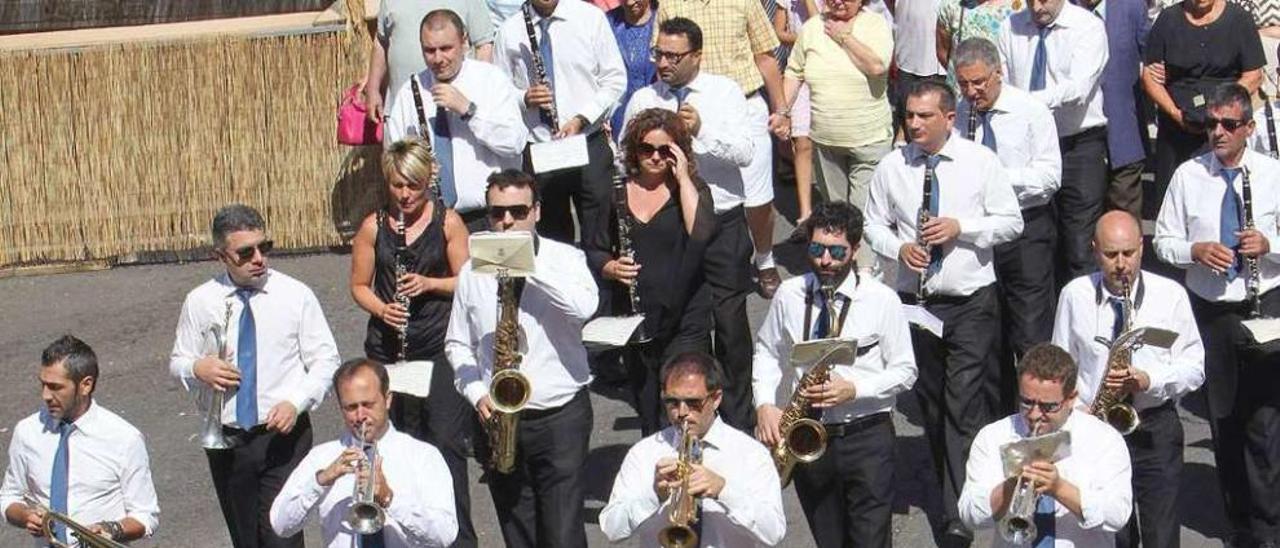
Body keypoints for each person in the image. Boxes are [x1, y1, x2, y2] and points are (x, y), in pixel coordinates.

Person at [863, 80, 1023, 545]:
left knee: (964, 402)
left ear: (949, 118)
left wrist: (962, 227)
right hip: (915, 304)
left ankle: (961, 513)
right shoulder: (892, 167)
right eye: (909, 115)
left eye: (924, 116)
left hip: (970, 301)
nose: (913, 123)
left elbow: (1011, 221)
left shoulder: (979, 162)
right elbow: (873, 223)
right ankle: (954, 486)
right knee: (933, 405)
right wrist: (898, 247)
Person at [169, 204, 342, 548]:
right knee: (246, 539)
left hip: (282, 435)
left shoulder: (295, 295)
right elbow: (178, 360)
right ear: (221, 256)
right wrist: (197, 368)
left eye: (265, 247)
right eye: (245, 252)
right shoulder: (201, 301)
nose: (259, 258)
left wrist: (296, 402)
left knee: (280, 537)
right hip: (229, 437)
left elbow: (326, 359)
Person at [1154, 83, 1280, 548]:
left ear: (1248, 127)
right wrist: (1196, 250)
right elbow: (1164, 241)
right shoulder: (1189, 176)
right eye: (1211, 124)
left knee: (1266, 422)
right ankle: (1241, 523)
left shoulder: (1272, 174)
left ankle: (1271, 526)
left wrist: (1270, 245)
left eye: (1229, 124)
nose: (1218, 133)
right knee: (1224, 420)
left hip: (1266, 303)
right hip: (1212, 310)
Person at [445, 170, 599, 548]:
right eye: (498, 213)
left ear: (537, 212)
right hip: (499, 418)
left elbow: (585, 307)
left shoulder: (565, 258)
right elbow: (456, 344)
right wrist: (478, 392)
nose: (508, 221)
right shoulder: (472, 273)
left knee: (562, 536)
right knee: (520, 537)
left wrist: (526, 264)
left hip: (559, 415)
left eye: (518, 211)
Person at [752, 201, 917, 547]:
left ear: (855, 250)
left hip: (867, 435)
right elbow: (767, 351)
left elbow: (905, 370)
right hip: (810, 435)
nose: (825, 261)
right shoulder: (789, 294)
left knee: (870, 541)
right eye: (817, 250)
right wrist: (765, 404)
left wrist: (855, 389)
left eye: (837, 252)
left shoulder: (881, 299)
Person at [621, 17, 758, 431]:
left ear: (696, 56)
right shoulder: (644, 97)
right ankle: (682, 417)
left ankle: (738, 421)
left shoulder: (724, 91)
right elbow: (625, 158)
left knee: (730, 326)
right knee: (681, 325)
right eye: (658, 53)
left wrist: (700, 132)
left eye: (673, 56)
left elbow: (746, 152)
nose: (663, 63)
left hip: (722, 221)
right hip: (670, 231)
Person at [348, 138, 478, 547]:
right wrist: (383, 309)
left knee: (444, 442)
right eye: (397, 186)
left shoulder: (448, 222)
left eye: (413, 186)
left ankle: (457, 537)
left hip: (436, 345)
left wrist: (429, 283)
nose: (405, 195)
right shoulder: (373, 225)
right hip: (389, 350)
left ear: (427, 183)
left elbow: (467, 279)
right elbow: (358, 285)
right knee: (397, 439)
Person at [1051, 210, 1205, 548]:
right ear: (1094, 250)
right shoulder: (1075, 295)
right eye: (1110, 255)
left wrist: (1150, 380)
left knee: (1161, 536)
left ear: (1141, 247)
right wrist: (1079, 412)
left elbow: (1194, 366)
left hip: (1155, 426)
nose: (1121, 264)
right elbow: (1060, 368)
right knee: (1111, 535)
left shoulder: (1170, 295)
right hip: (1099, 427)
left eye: (1128, 253)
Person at [587, 108, 717, 435]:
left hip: (686, 314)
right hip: (637, 316)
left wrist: (684, 176)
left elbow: (700, 232)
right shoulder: (615, 191)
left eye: (665, 150)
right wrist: (610, 267)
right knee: (649, 406)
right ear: (634, 150)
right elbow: (595, 248)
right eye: (647, 149)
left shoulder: (692, 189)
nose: (655, 157)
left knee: (686, 401)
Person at [953, 36, 1061, 412]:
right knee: (989, 331)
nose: (971, 91)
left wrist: (995, 176)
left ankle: (1040, 413)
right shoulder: (959, 111)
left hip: (1026, 228)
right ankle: (1000, 420)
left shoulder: (1030, 112)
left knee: (1029, 332)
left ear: (998, 72)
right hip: (978, 232)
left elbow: (1050, 178)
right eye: (963, 83)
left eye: (979, 82)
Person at [654, 0, 786, 298]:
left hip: (743, 101)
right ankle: (705, 263)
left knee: (758, 197)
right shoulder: (669, 4)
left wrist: (782, 109)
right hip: (689, 102)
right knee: (696, 189)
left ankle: (764, 259)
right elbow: (660, 58)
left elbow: (764, 57)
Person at [599, 351, 786, 547]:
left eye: (693, 402)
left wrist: (723, 490)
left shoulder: (750, 454)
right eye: (672, 402)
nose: (682, 413)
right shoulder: (644, 453)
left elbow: (774, 532)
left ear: (716, 399)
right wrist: (653, 495)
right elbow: (612, 529)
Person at [957, 343, 1134, 547]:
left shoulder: (1104, 440)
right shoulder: (993, 436)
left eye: (1048, 406)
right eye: (1026, 402)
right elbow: (969, 515)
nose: (1034, 415)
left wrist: (1059, 488)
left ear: (1071, 399)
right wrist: (1009, 486)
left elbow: (1118, 515)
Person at [269, 359, 458, 548]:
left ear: (388, 399)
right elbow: (280, 525)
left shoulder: (423, 456)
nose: (360, 416)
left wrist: (389, 499)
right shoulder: (321, 457)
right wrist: (322, 480)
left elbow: (445, 535)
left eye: (368, 404)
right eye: (351, 407)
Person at [0, 336, 160, 546]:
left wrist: (111, 529)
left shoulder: (123, 438)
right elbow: (9, 497)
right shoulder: (27, 432)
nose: (46, 395)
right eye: (43, 385)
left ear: (85, 385)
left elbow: (145, 516)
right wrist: (24, 515)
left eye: (56, 387)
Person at [774, 0, 894, 274]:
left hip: (869, 139)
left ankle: (865, 272)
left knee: (863, 213)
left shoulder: (875, 24)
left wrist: (845, 38)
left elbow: (877, 66)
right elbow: (794, 71)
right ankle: (840, 269)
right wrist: (783, 110)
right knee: (837, 214)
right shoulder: (812, 28)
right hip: (826, 140)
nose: (838, 1)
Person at [492, 0, 626, 245]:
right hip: (542, 145)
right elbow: (498, 89)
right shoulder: (510, 30)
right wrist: (524, 97)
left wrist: (581, 118)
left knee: (600, 232)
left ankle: (600, 282)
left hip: (588, 140)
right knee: (551, 235)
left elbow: (615, 79)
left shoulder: (590, 18)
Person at [384, 10, 530, 231]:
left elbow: (514, 143)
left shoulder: (490, 80)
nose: (438, 59)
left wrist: (468, 111)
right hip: (434, 218)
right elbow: (394, 156)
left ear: (464, 42)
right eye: (429, 51)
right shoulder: (410, 92)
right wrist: (419, 168)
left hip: (489, 216)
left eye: (446, 49)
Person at [998, 0, 1109, 283]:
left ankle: (1080, 315)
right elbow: (1003, 84)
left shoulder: (1088, 28)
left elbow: (1078, 89)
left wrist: (1025, 103)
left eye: (1044, 0)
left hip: (1077, 144)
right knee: (1033, 241)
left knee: (1079, 243)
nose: (1036, 7)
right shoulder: (1011, 27)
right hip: (1028, 145)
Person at [1143, 0, 1265, 218]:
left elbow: (1254, 74)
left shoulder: (1239, 19)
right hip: (1177, 127)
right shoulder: (1168, 19)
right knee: (1173, 207)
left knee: (1220, 205)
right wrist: (1175, 113)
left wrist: (1222, 107)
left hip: (1225, 128)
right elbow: (1149, 76)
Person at [1077, 0, 1152, 219]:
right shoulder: (1060, 10)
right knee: (1081, 222)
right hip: (1076, 138)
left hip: (1123, 131)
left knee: (1124, 219)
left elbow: (1152, 58)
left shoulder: (1131, 7)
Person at [362, 0, 496, 121]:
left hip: (455, 111)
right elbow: (381, 42)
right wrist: (373, 89)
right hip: (402, 110)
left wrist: (477, 92)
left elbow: (484, 45)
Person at [606, 0, 659, 142]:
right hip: (619, 117)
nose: (629, 3)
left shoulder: (662, 19)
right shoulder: (607, 23)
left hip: (657, 113)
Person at [936, 0, 1017, 86]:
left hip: (1003, 89)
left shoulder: (1020, 6)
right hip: (961, 91)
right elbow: (943, 51)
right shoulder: (951, 5)